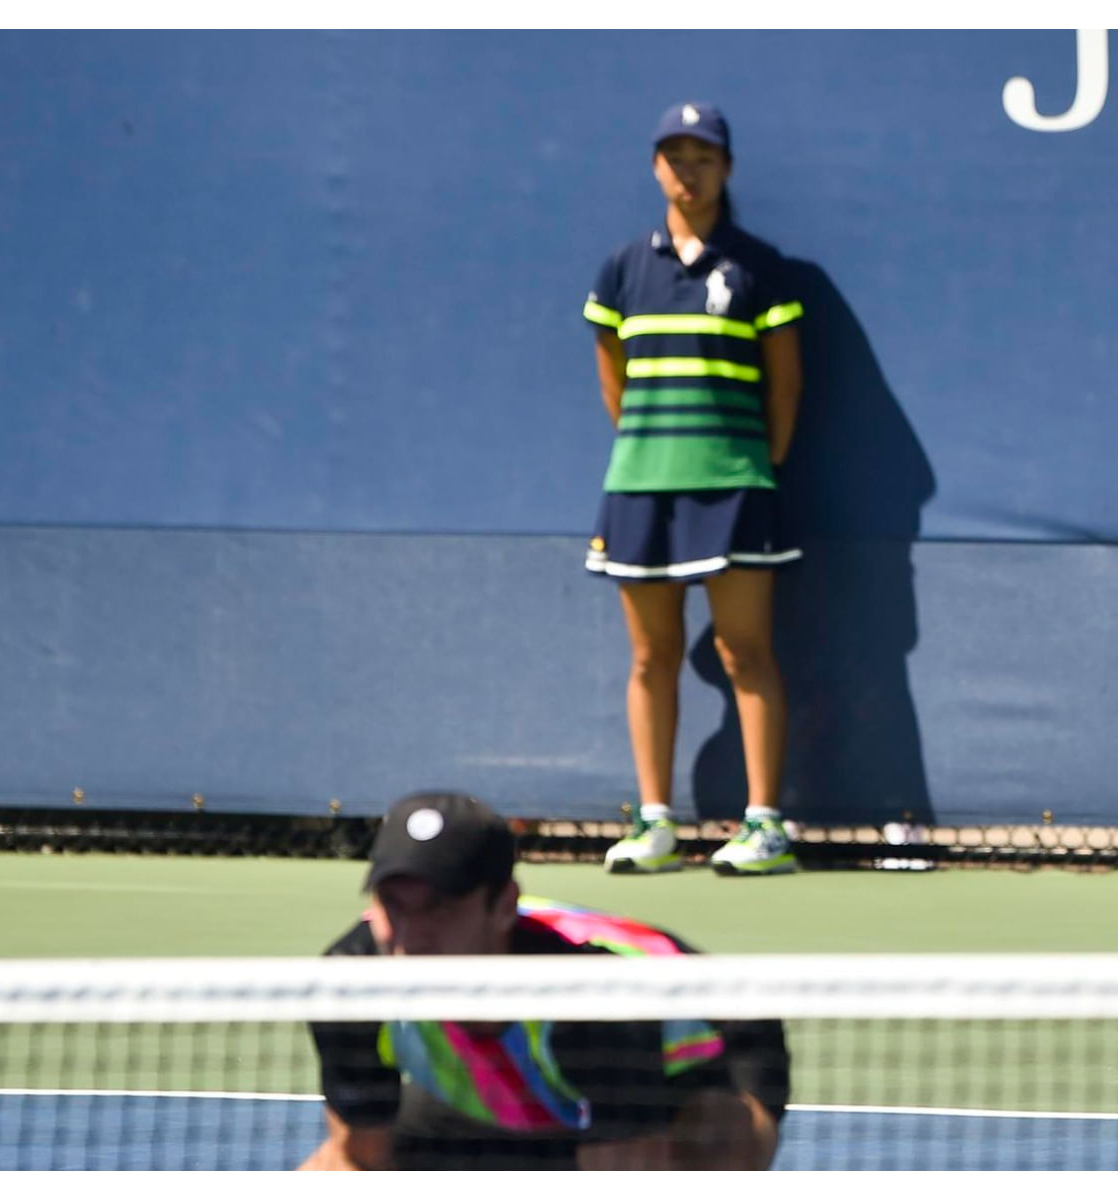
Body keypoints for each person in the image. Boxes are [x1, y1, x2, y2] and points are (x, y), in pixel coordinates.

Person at [299, 791, 789, 1169]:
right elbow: (362, 1155)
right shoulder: (350, 980)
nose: (411, 935)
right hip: (503, 1082)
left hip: (699, 1067)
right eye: (394, 906)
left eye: (439, 908)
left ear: (503, 905)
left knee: (701, 1149)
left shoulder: (596, 992)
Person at [582, 102, 804, 877]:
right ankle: (655, 824)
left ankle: (766, 827)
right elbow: (613, 371)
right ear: (655, 168)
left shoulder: (759, 267)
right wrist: (649, 449)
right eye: (674, 157)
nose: (688, 170)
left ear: (727, 168)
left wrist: (750, 461)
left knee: (746, 652)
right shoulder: (622, 268)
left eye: (703, 156)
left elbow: (785, 389)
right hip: (640, 489)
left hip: (734, 489)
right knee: (652, 659)